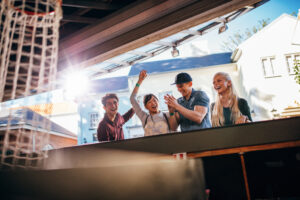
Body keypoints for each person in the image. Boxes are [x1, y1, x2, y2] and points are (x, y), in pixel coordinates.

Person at [130, 70, 172, 136]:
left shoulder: (167, 115)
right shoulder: (144, 117)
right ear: (145, 106)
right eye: (149, 102)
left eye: (155, 100)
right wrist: (140, 81)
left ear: (158, 102)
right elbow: (132, 99)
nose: (153, 103)